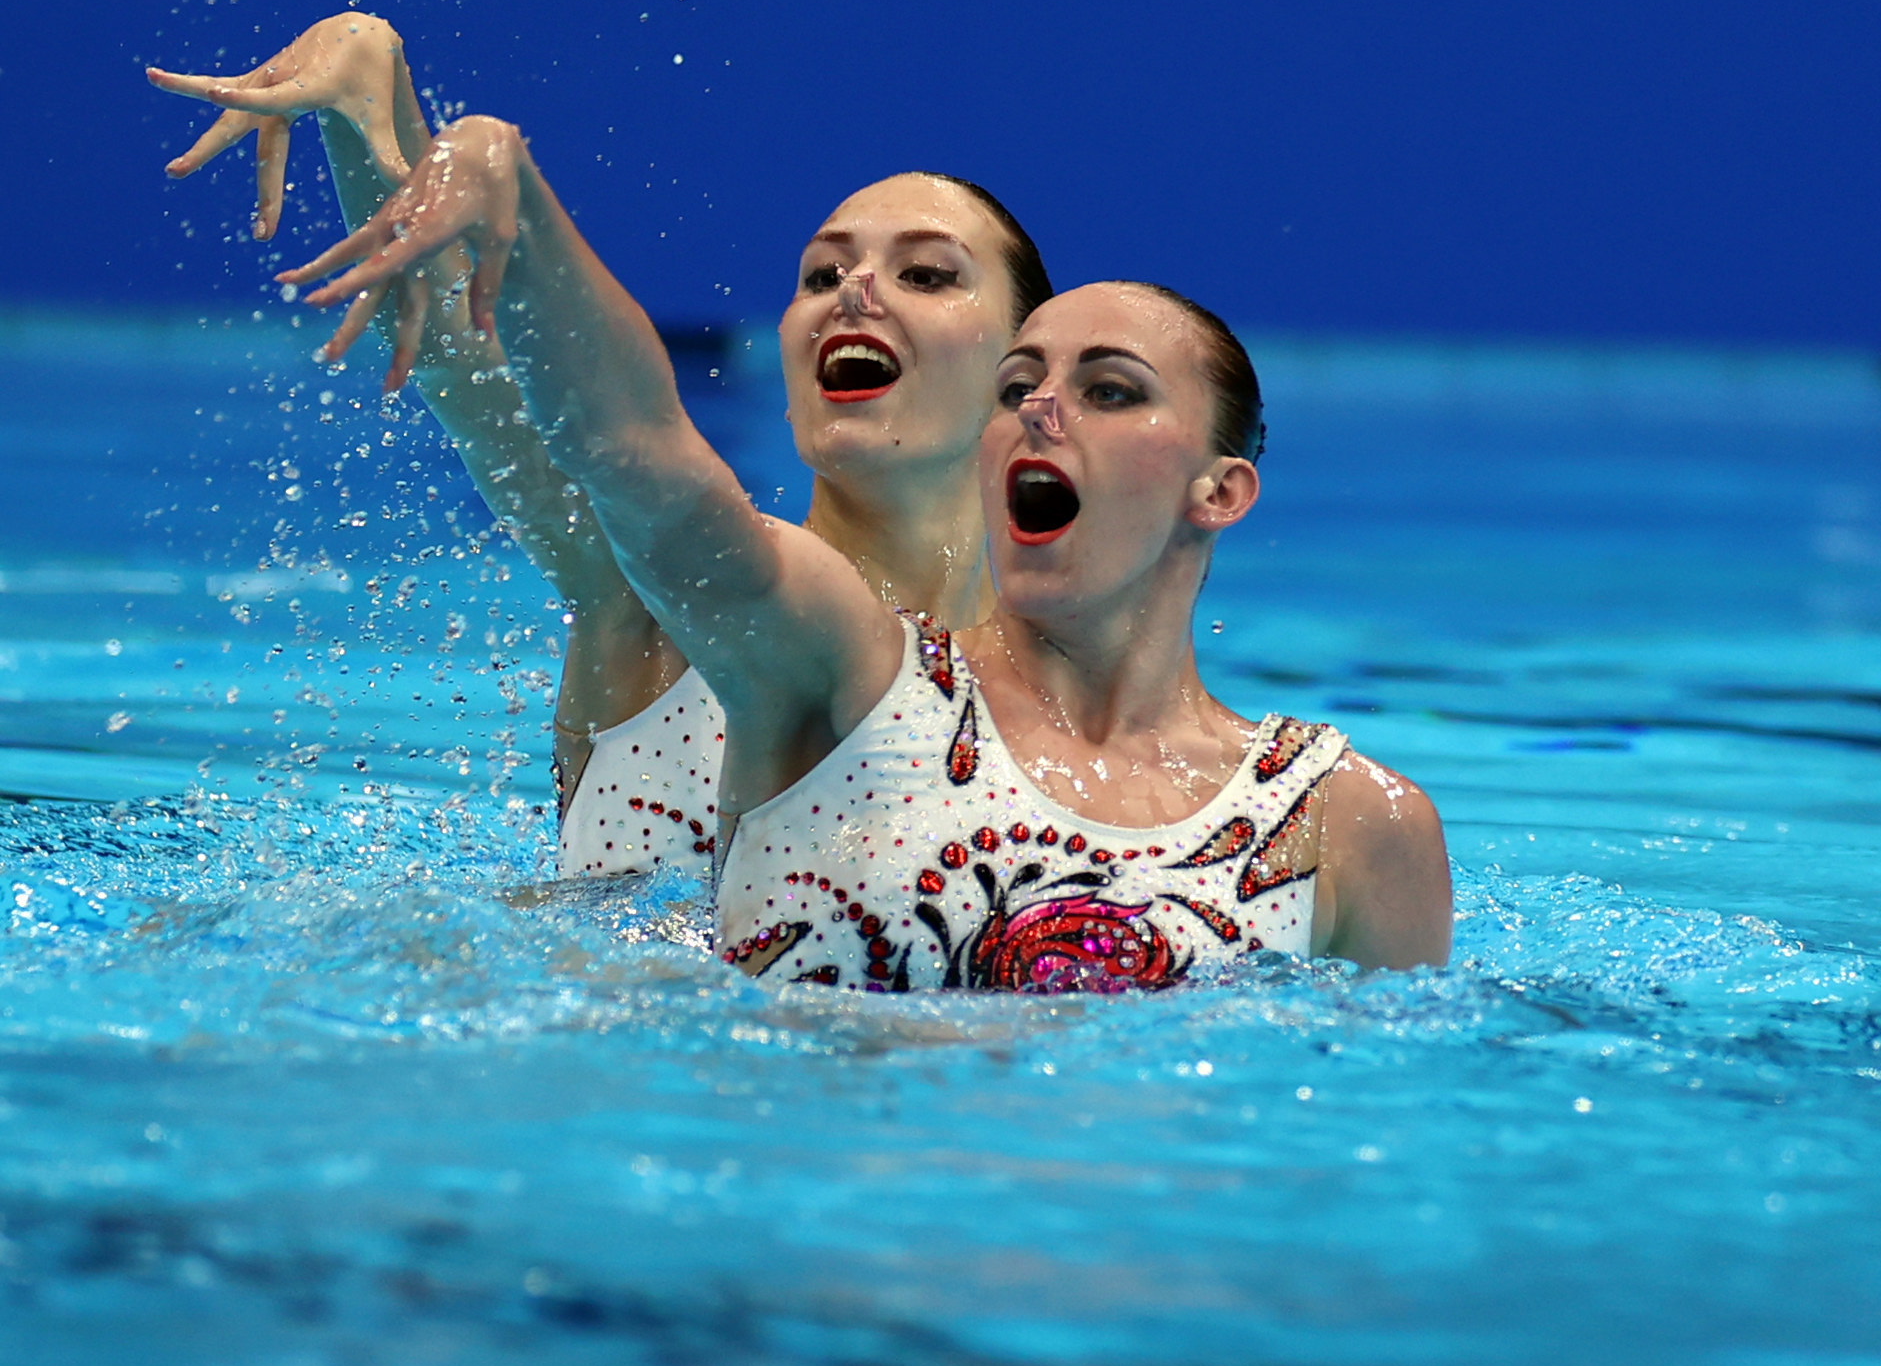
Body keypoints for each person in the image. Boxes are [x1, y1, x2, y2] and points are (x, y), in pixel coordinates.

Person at [279, 113, 1451, 984]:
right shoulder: (842, 669)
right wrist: (499, 185)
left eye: (1107, 389)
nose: (1044, 410)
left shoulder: (1354, 820)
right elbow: (633, 454)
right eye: (1022, 385)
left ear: (1223, 489)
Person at [150, 15, 1049, 882]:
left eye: (925, 273)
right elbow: (488, 394)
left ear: (1025, 382)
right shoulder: (662, 596)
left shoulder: (1073, 718)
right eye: (821, 273)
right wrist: (370, 100)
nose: (854, 291)